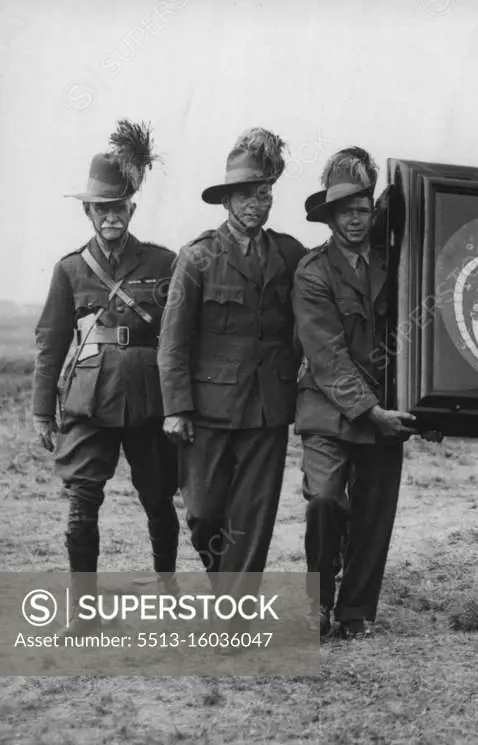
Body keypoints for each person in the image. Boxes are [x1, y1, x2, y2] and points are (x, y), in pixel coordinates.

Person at [32, 120, 180, 636]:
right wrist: (39, 409)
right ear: (88, 212)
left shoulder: (164, 262)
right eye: (102, 208)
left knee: (157, 493)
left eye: (119, 207)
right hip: (88, 398)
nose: (111, 216)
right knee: (82, 496)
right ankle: (83, 609)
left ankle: (166, 588)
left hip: (148, 396)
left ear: (132, 210)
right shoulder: (70, 270)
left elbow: (179, 337)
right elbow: (51, 342)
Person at [293, 147, 438, 639]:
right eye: (345, 211)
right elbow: (328, 356)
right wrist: (371, 411)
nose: (356, 220)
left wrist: (430, 405)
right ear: (330, 216)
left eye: (363, 209)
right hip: (329, 409)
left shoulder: (398, 264)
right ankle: (318, 602)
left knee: (374, 516)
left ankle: (355, 611)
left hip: (387, 411)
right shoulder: (313, 272)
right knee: (324, 503)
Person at [158, 128, 306, 603]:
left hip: (268, 406)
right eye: (244, 195)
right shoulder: (197, 258)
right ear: (226, 200)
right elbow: (173, 341)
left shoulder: (288, 254)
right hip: (208, 407)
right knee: (203, 513)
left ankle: (234, 611)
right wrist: (176, 407)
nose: (255, 205)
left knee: (254, 515)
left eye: (263, 195)